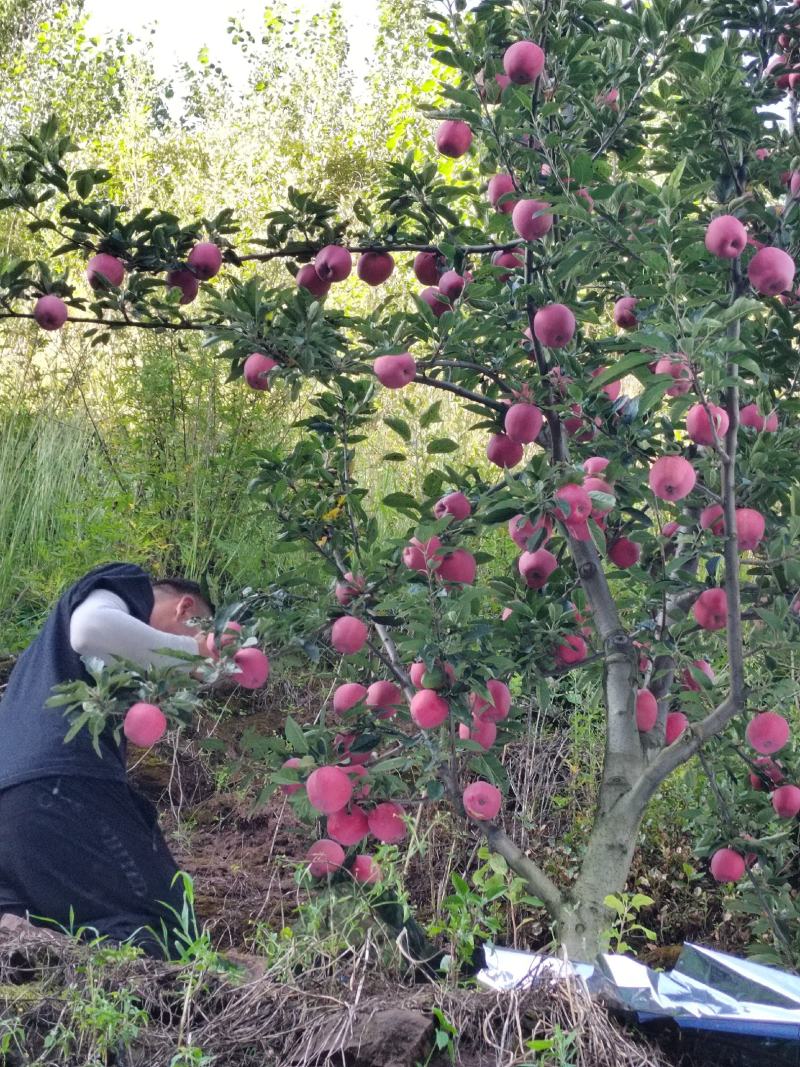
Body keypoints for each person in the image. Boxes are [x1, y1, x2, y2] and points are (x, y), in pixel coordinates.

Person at [0, 561, 215, 957]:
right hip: (59, 785)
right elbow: (92, 630)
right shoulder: (127, 586)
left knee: (45, 927)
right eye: (199, 626)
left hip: (14, 805)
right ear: (186, 610)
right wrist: (195, 652)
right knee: (167, 923)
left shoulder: (43, 663)